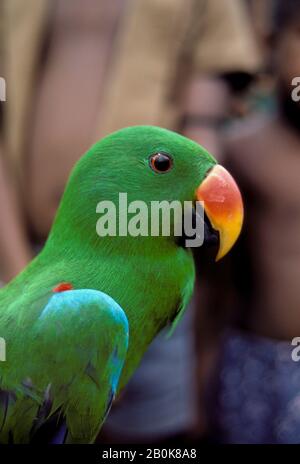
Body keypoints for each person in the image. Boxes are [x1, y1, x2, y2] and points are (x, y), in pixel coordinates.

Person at [0, 0, 260, 442]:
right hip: (22, 247)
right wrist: (16, 270)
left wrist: (184, 214)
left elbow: (207, 102)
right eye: (159, 163)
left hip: (148, 256)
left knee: (149, 432)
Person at [202, 0, 300, 444]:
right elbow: (209, 279)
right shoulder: (241, 154)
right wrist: (198, 370)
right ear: (270, 45)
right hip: (253, 362)